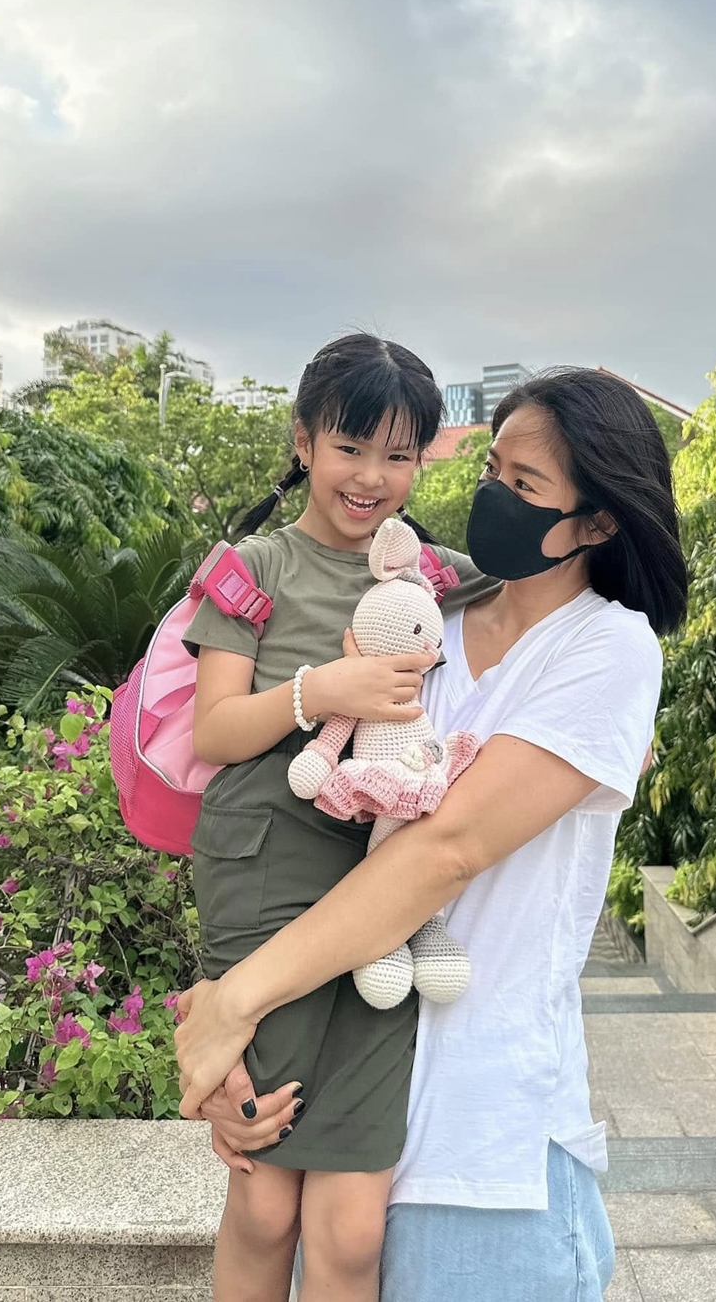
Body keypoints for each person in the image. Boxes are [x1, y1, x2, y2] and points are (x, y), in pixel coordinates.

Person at [176, 366, 689, 1301]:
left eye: (524, 485)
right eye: (491, 470)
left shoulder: (607, 647)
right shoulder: (424, 623)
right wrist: (235, 1041)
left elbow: (444, 849)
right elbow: (302, 819)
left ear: (598, 522)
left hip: (486, 1150)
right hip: (352, 1101)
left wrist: (234, 1004)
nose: (493, 496)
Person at [182, 332, 497, 1302]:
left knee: (353, 1230)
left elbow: (549, 604)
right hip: (266, 867)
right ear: (304, 442)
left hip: (381, 887)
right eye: (349, 448)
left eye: (397, 454)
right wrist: (319, 690)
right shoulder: (254, 567)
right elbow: (215, 731)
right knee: (266, 1200)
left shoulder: (437, 574)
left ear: (422, 459)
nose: (370, 477)